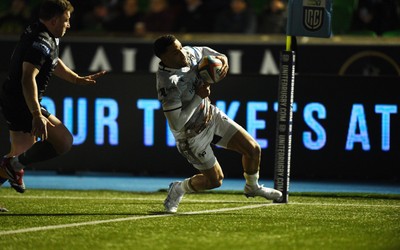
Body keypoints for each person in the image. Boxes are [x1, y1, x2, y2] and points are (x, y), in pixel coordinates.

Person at [153, 34, 282, 213]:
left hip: (210, 116)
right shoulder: (168, 84)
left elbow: (207, 52)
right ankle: (178, 189)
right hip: (191, 135)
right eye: (176, 53)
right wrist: (199, 96)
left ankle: (252, 187)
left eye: (181, 48)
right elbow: (177, 124)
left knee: (253, 149)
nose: (183, 54)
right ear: (164, 58)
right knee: (215, 181)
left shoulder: (188, 53)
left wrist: (223, 60)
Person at [0, 0, 106, 193]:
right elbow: (27, 78)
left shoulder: (47, 33)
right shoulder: (40, 41)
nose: (69, 25)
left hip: (17, 98)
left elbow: (53, 60)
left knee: (18, 154)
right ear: (55, 20)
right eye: (66, 20)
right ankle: (13, 165)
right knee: (63, 140)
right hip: (21, 100)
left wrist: (75, 79)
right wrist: (36, 114)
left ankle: (12, 165)